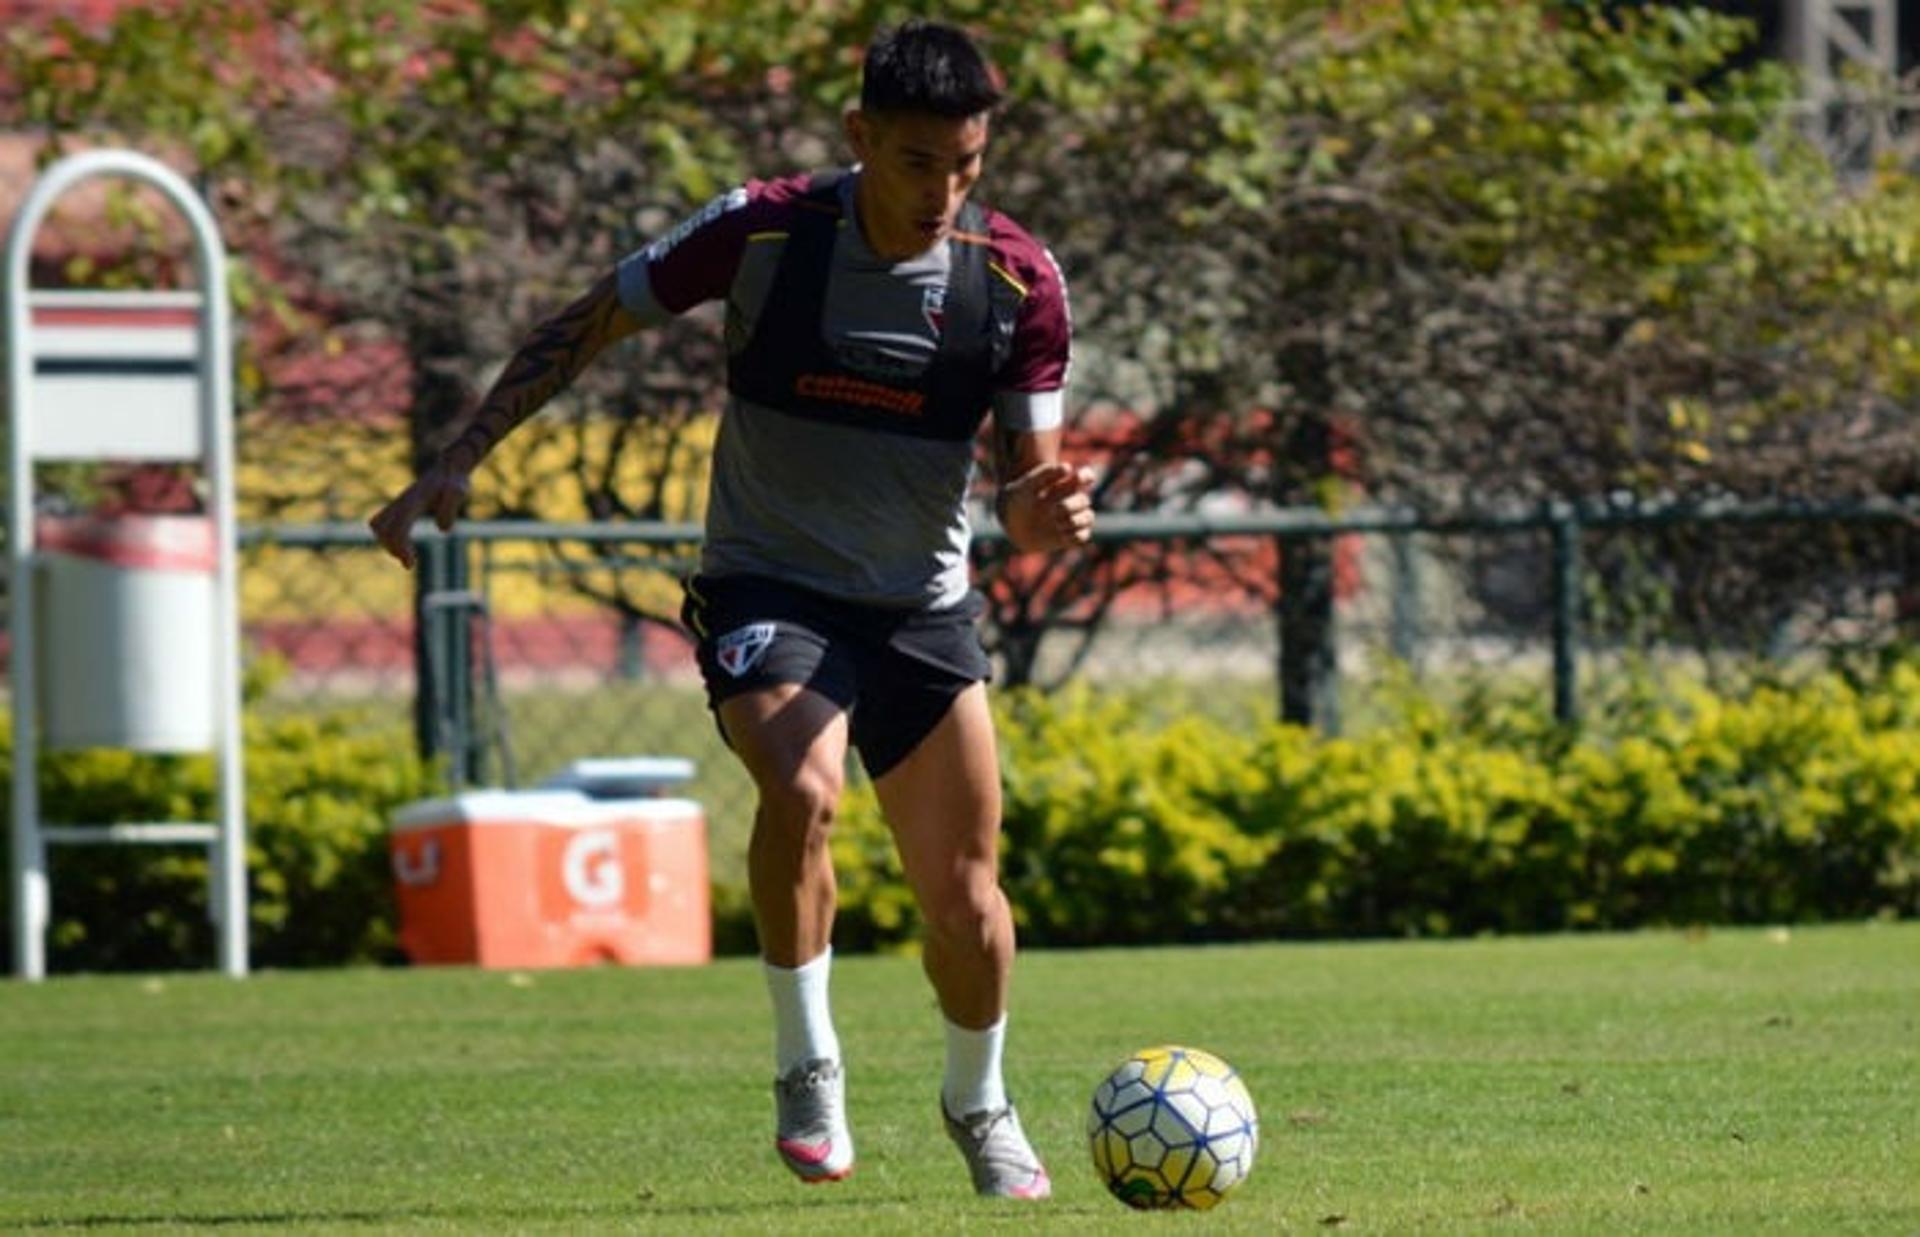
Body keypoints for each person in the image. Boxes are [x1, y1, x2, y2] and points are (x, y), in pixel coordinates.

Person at [369, 19, 1091, 1200]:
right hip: (770, 579)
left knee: (966, 898)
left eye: (967, 166)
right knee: (800, 785)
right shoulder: (762, 228)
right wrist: (461, 453)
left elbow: (1023, 487)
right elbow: (589, 320)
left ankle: (979, 1100)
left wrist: (1043, 515)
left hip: (919, 607)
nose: (943, 193)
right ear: (860, 138)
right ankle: (809, 1063)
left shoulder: (1017, 279)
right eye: (917, 163)